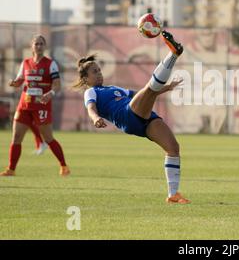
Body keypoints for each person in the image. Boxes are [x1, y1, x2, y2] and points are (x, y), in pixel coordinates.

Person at [73, 30, 190, 204]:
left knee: (173, 148)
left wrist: (168, 87)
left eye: (99, 70)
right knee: (149, 89)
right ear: (85, 78)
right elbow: (90, 108)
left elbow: (147, 93)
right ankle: (173, 53)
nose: (99, 74)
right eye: (94, 72)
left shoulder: (113, 88)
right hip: (127, 116)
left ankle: (173, 194)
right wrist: (95, 118)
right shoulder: (91, 91)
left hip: (143, 115)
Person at [1, 35, 69, 176]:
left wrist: (50, 94)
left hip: (41, 106)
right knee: (16, 137)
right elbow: (20, 80)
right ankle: (11, 169)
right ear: (31, 46)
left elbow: (57, 85)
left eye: (41, 44)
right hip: (24, 105)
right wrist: (14, 83)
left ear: (45, 46)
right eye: (36, 44)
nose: (38, 46)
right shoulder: (25, 63)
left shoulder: (51, 64)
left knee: (48, 138)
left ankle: (63, 166)